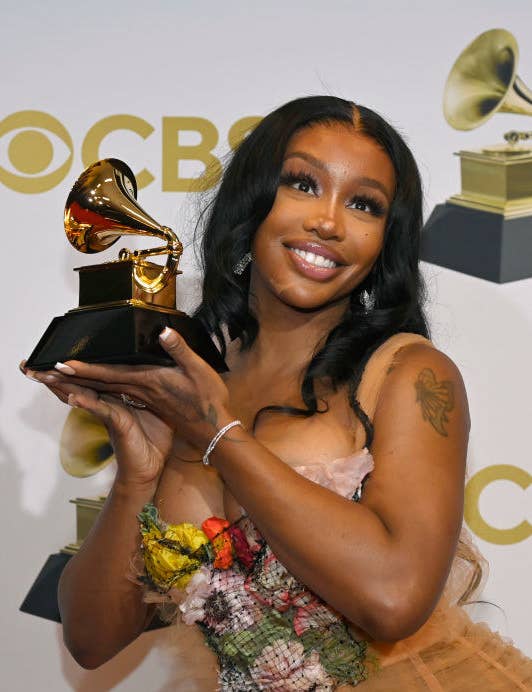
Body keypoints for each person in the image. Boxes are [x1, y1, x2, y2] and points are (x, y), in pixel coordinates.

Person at [22, 96, 531, 690]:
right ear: (253, 200)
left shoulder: (409, 374)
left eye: (364, 204)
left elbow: (394, 599)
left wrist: (217, 434)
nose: (330, 222)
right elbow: (91, 640)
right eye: (303, 185)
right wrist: (139, 474)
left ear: (384, 240)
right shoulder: (194, 377)